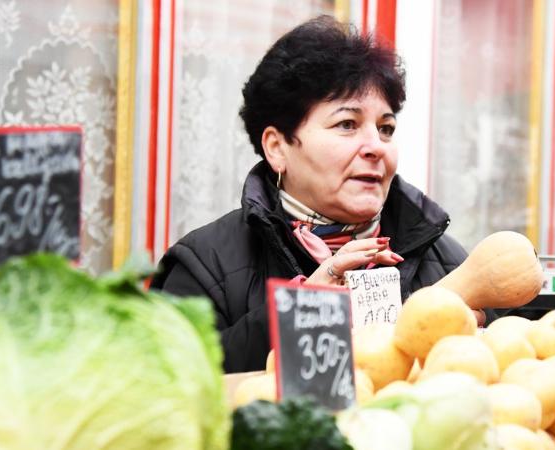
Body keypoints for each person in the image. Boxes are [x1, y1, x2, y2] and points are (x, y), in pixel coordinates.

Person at [151, 15, 493, 373]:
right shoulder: (204, 266)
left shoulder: (450, 262)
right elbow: (169, 389)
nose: (376, 146)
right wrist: (301, 309)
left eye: (386, 128)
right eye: (347, 124)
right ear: (277, 147)